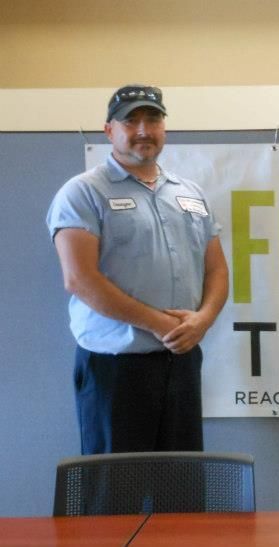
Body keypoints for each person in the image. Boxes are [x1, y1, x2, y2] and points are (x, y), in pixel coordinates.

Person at [46, 84, 228, 454]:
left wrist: (203, 320)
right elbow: (79, 280)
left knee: (183, 487)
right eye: (131, 121)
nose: (144, 130)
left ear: (164, 127)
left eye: (153, 119)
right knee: (117, 492)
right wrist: (159, 324)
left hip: (180, 360)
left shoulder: (189, 193)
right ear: (109, 130)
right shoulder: (83, 193)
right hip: (116, 367)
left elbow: (217, 271)